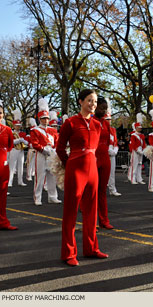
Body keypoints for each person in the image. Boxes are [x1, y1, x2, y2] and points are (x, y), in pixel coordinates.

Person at [56, 89, 109, 266]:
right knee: (71, 212)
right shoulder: (70, 123)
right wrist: (69, 163)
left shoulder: (97, 125)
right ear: (80, 101)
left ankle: (91, 248)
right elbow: (60, 148)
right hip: (76, 169)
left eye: (94, 101)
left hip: (92, 170)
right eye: (89, 101)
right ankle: (68, 253)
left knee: (91, 212)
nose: (93, 104)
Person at [30, 99, 61, 206]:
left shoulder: (53, 130)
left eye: (47, 118)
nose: (46, 120)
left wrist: (55, 150)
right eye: (43, 118)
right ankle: (37, 198)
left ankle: (52, 197)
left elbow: (57, 142)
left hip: (51, 155)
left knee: (52, 176)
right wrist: (43, 149)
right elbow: (34, 143)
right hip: (41, 155)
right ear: (39, 119)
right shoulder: (35, 130)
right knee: (40, 177)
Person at [94, 96, 114, 229]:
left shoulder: (106, 123)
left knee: (102, 190)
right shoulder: (90, 121)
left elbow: (107, 140)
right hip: (94, 157)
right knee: (91, 190)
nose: (104, 111)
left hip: (104, 157)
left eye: (105, 109)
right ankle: (90, 219)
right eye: (102, 108)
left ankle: (104, 220)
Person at [0, 104, 18, 230]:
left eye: (0, 112)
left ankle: (3, 221)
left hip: (3, 166)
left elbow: (10, 146)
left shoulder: (7, 130)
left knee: (2, 195)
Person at [8, 109, 28, 187]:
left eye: (19, 126)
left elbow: (27, 143)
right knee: (12, 166)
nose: (18, 127)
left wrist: (23, 140)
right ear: (13, 125)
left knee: (21, 166)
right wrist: (18, 140)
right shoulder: (11, 133)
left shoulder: (23, 133)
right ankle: (10, 181)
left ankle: (20, 181)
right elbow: (11, 142)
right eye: (16, 125)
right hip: (13, 150)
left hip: (21, 150)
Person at [106, 106, 121, 197]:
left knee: (112, 172)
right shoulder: (100, 128)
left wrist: (115, 149)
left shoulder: (113, 130)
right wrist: (108, 150)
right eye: (107, 119)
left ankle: (112, 189)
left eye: (110, 119)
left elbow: (115, 141)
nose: (109, 121)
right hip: (104, 152)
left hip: (113, 152)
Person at [128, 113, 146, 185]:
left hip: (141, 151)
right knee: (134, 165)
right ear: (136, 128)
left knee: (139, 165)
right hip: (135, 151)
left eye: (140, 127)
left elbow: (143, 143)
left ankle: (139, 178)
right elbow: (133, 144)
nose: (140, 128)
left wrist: (144, 150)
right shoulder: (133, 135)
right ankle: (132, 178)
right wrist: (137, 150)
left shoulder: (142, 135)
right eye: (139, 127)